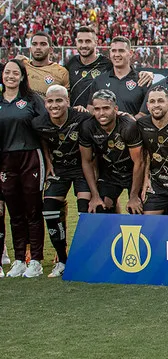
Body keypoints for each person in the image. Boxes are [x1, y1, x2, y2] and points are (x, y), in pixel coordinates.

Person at [33, 85, 93, 277]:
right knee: (49, 209)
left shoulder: (81, 117)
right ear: (45, 103)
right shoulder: (38, 123)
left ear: (68, 101)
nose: (55, 105)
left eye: (59, 100)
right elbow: (42, 140)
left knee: (86, 211)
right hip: (59, 169)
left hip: (82, 168)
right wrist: (48, 161)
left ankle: (86, 259)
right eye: (50, 101)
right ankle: (62, 260)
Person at [0, 60, 47, 278]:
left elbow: (46, 128)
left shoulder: (31, 100)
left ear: (22, 76)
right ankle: (19, 259)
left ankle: (35, 259)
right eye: (7, 72)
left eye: (15, 73)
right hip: (6, 161)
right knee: (14, 211)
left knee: (33, 210)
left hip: (31, 156)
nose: (10, 76)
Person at [79, 90, 145, 215]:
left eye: (106, 108)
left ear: (115, 109)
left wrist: (134, 196)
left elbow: (139, 162)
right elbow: (86, 162)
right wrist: (95, 195)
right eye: (97, 109)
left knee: (137, 210)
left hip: (133, 173)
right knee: (100, 207)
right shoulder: (88, 127)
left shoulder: (128, 126)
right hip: (110, 174)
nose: (101, 113)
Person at [65, 26, 152, 109]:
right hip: (75, 118)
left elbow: (125, 70)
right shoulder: (71, 63)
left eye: (88, 41)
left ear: (96, 42)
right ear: (76, 42)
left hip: (96, 117)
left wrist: (148, 73)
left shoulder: (107, 64)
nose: (83, 45)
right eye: (80, 41)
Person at [137, 87, 168, 215]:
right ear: (147, 106)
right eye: (152, 101)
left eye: (160, 101)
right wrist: (146, 178)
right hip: (157, 183)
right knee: (150, 223)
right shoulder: (142, 124)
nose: (156, 105)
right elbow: (146, 153)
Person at [89, 36, 146, 116]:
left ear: (130, 53)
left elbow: (146, 113)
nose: (117, 54)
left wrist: (128, 122)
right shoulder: (99, 81)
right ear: (110, 53)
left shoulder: (142, 80)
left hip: (133, 128)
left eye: (121, 51)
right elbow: (91, 109)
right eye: (114, 51)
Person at [20, 31, 69, 97]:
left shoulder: (61, 72)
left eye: (43, 44)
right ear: (30, 49)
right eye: (34, 44)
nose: (38, 47)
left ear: (51, 49)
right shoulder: (22, 65)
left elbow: (67, 101)